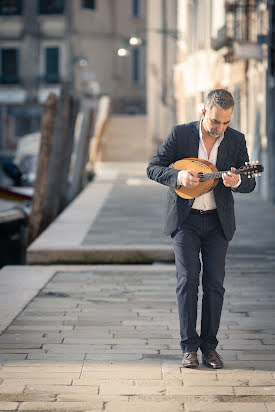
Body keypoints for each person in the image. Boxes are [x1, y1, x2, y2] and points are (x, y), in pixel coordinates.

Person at [147, 89, 256, 369]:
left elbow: (249, 181)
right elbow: (153, 167)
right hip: (186, 220)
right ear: (204, 112)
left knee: (215, 285)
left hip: (218, 222)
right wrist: (178, 175)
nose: (220, 128)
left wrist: (236, 183)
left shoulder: (236, 140)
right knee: (188, 281)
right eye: (216, 121)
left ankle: (210, 348)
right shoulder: (180, 134)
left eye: (226, 122)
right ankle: (189, 349)